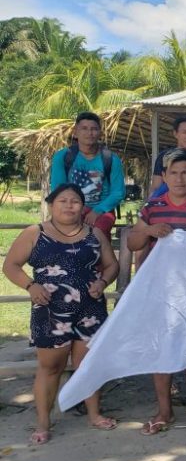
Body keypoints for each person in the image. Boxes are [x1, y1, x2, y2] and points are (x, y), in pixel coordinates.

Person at [3, 184, 119, 444]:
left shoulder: (95, 233)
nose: (69, 205)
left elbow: (111, 265)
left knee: (88, 365)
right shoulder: (35, 233)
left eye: (75, 201)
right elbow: (10, 265)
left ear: (82, 206)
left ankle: (94, 414)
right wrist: (30, 286)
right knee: (50, 367)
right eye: (63, 201)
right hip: (50, 310)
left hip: (90, 309)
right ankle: (43, 423)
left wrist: (102, 283)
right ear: (52, 205)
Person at [127, 149, 186, 436]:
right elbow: (133, 243)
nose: (180, 178)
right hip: (161, 290)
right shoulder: (152, 208)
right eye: (174, 172)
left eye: (185, 173)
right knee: (162, 350)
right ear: (165, 176)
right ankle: (164, 411)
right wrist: (148, 231)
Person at [49, 111, 126, 240]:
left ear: (100, 132)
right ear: (76, 132)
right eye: (84, 128)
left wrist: (97, 211)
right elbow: (58, 189)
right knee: (61, 235)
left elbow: (118, 192)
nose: (89, 133)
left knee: (96, 235)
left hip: (102, 210)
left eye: (94, 129)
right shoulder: (62, 157)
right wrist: (78, 209)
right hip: (71, 207)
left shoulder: (111, 159)